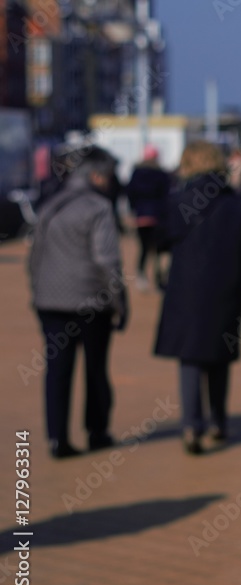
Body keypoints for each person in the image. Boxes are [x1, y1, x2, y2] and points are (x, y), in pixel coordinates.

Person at [154, 141, 241, 454]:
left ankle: (191, 425)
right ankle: (217, 421)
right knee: (219, 358)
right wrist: (240, 277)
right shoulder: (235, 204)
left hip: (185, 292)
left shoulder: (178, 200)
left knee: (190, 358)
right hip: (223, 292)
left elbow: (160, 238)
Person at [28, 147, 128, 458]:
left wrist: (38, 292)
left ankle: (57, 438)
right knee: (96, 370)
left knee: (57, 371)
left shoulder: (51, 204)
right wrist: (119, 301)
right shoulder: (98, 207)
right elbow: (106, 260)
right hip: (90, 303)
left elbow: (34, 256)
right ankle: (96, 431)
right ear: (97, 175)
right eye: (109, 176)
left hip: (51, 303)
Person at [125, 145, 172, 290]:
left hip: (142, 217)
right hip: (159, 217)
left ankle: (141, 276)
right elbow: (168, 195)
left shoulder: (136, 173)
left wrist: (134, 210)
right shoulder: (162, 174)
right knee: (159, 250)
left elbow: (130, 193)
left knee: (143, 248)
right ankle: (159, 279)